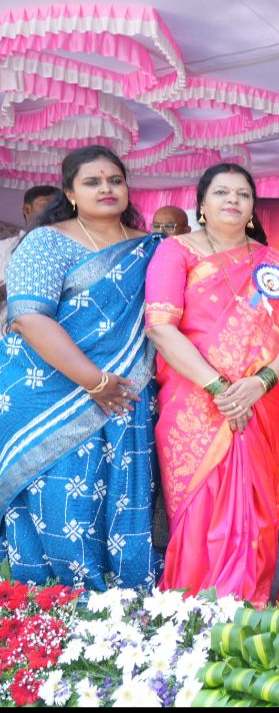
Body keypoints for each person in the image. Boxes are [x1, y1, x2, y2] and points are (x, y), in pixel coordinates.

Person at [0, 146, 159, 589]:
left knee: (123, 496)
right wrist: (95, 381)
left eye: (115, 180)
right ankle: (53, 605)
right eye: (92, 182)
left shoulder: (150, 248)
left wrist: (109, 384)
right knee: (63, 498)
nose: (106, 188)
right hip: (52, 394)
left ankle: (124, 603)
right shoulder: (46, 242)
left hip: (126, 393)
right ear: (69, 193)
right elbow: (29, 317)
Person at [145, 164, 279, 605]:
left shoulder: (278, 264)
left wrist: (261, 383)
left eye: (242, 194)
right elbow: (160, 327)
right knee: (199, 507)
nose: (233, 199)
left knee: (253, 509)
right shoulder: (175, 251)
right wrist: (220, 389)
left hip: (258, 401)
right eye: (221, 192)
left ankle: (248, 606)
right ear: (201, 204)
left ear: (252, 208)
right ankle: (191, 611)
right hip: (195, 401)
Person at [0, 185, 61, 323]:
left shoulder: (72, 251)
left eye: (60, 207)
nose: (55, 212)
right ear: (27, 210)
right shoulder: (4, 249)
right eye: (47, 205)